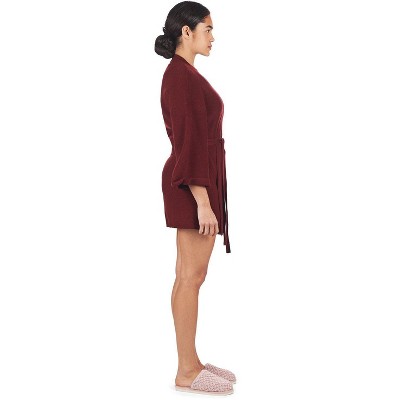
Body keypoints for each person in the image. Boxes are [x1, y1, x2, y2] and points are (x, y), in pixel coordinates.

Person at [155, 1, 235, 396]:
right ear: (185, 32)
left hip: (197, 183)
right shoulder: (181, 77)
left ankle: (192, 361)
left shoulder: (183, 74)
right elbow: (187, 143)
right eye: (207, 28)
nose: (213, 36)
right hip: (193, 186)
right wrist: (203, 201)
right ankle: (186, 370)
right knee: (191, 276)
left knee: (188, 275)